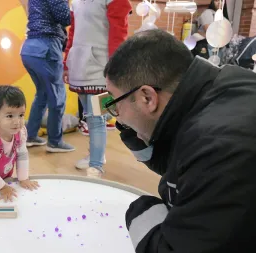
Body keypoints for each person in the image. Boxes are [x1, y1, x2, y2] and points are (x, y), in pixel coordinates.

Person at [103, 29, 256, 252]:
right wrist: (135, 134)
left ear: (147, 97)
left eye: (115, 103)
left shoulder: (219, 147)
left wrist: (142, 212)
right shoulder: (224, 85)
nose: (117, 114)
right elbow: (181, 160)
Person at [63, 0, 132, 177]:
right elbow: (73, 34)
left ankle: (96, 164)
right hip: (79, 63)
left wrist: (116, 66)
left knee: (97, 116)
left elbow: (119, 32)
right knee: (90, 115)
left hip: (102, 66)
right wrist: (66, 63)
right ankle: (96, 154)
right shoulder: (76, 2)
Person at [20, 0, 75, 153]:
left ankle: (30, 135)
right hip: (46, 48)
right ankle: (55, 141)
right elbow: (65, 17)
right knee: (58, 97)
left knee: (42, 94)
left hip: (29, 48)